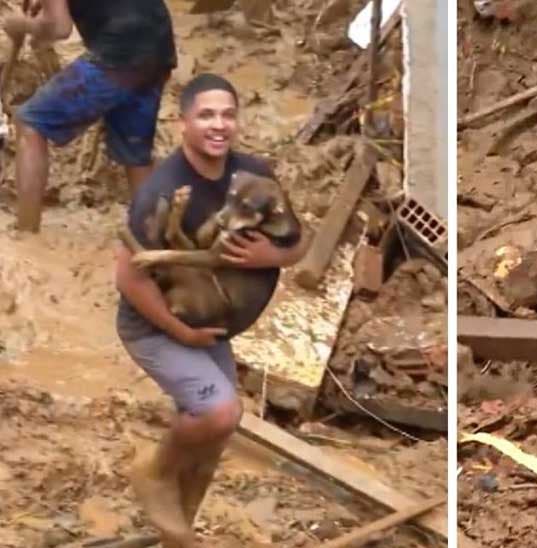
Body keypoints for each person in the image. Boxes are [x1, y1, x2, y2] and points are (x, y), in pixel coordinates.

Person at [114, 74, 308, 547]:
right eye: (206, 115)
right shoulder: (161, 191)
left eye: (227, 114)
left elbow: (300, 243)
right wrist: (180, 331)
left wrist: (272, 257)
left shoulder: (254, 175)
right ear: (182, 123)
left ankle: (176, 537)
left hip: (211, 329)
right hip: (159, 328)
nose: (218, 124)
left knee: (212, 439)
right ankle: (155, 474)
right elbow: (129, 277)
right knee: (220, 413)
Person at [2, 0, 176, 233]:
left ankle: (26, 232)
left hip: (117, 51)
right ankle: (150, 238)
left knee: (30, 123)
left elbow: (59, 29)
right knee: (135, 155)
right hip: (158, 48)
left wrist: (22, 25)